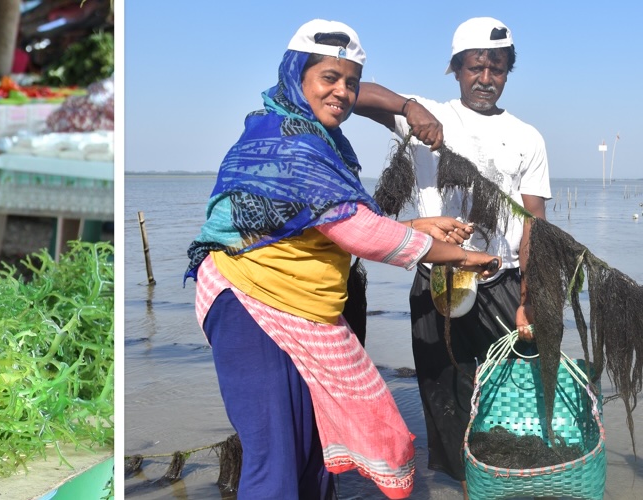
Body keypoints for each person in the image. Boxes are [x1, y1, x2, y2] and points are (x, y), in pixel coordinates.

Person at [184, 19, 501, 499]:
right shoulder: (286, 138)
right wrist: (458, 255)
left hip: (302, 307)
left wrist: (419, 228)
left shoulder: (325, 143)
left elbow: (326, 225)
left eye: (351, 82)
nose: (342, 92)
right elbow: (356, 230)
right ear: (298, 77)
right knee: (275, 459)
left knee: (313, 453)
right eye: (328, 78)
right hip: (250, 302)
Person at [351, 16, 551, 495]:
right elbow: (351, 94)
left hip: (500, 280)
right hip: (438, 281)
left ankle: (507, 482)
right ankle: (466, 485)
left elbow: (534, 226)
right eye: (475, 67)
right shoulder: (430, 118)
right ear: (456, 70)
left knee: (510, 395)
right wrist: (410, 107)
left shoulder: (527, 137)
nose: (486, 79)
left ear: (508, 71)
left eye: (497, 68)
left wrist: (530, 297)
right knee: (446, 396)